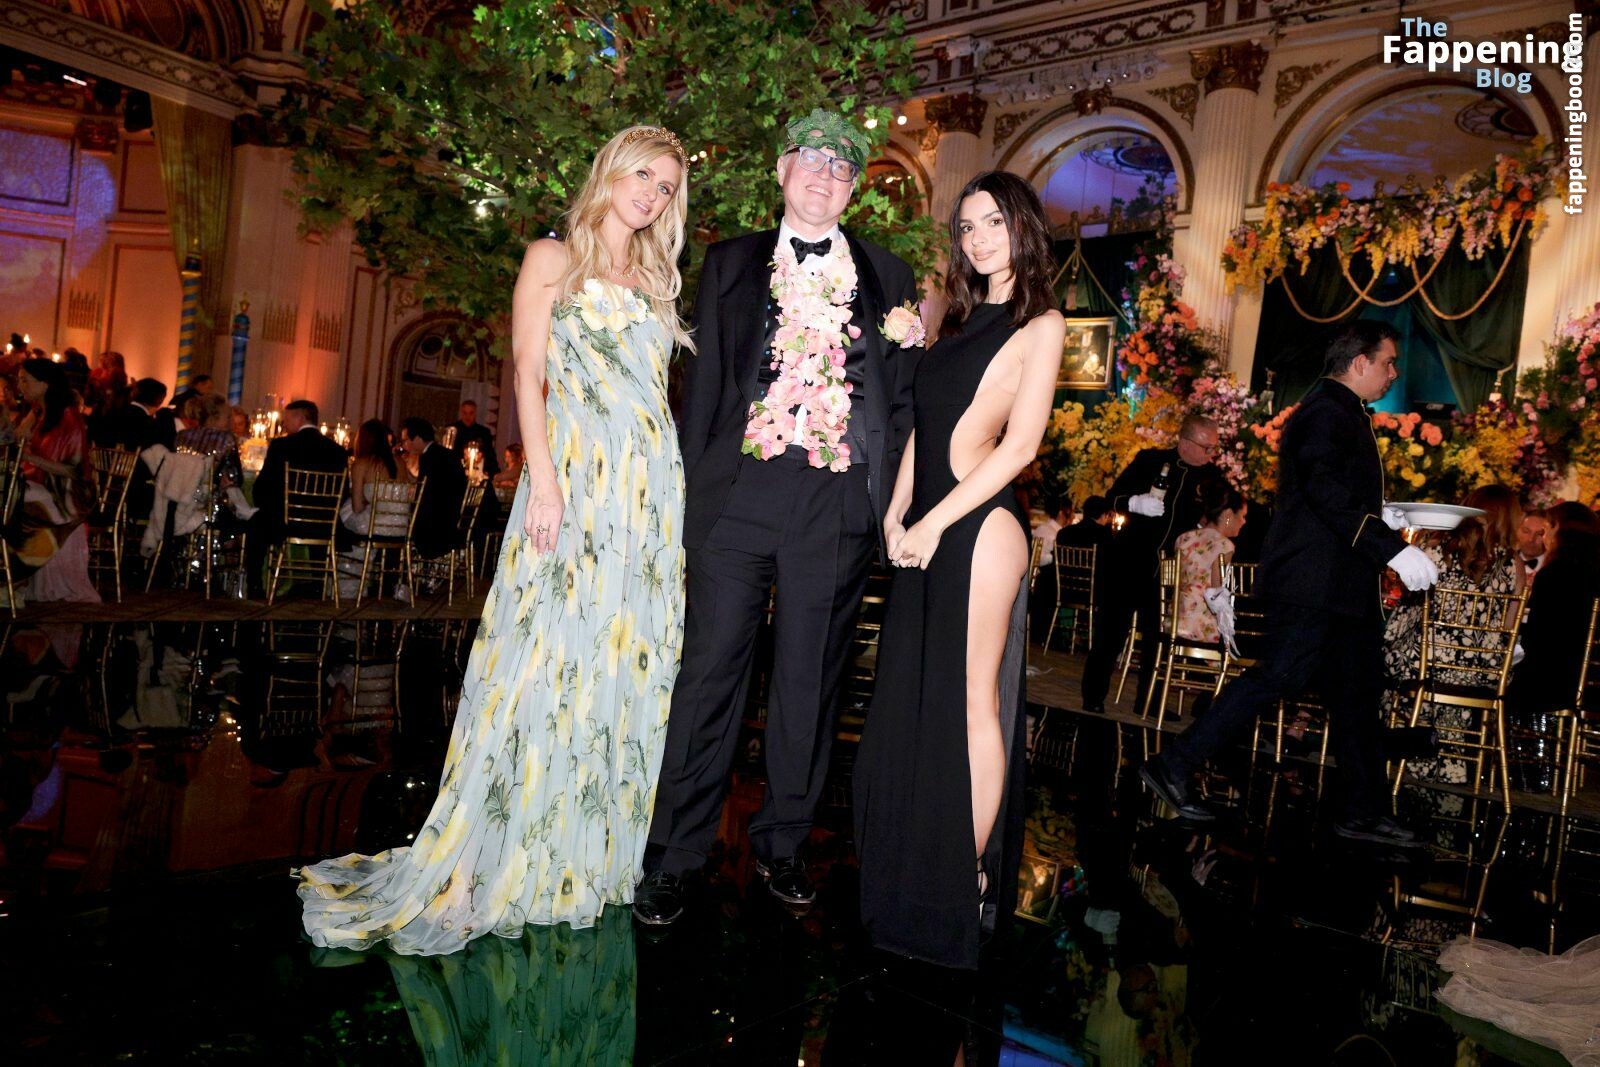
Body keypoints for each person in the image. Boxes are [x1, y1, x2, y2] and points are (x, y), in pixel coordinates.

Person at [298, 124, 691, 953]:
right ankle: (495, 854)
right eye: (643, 176)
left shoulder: (658, 274)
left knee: (618, 660)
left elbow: (653, 393)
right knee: (543, 656)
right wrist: (544, 480)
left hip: (649, 488)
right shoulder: (553, 257)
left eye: (666, 187)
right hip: (576, 478)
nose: (652, 195)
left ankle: (580, 853)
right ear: (611, 169)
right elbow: (527, 371)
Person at [634, 109, 923, 927]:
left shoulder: (890, 275)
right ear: (782, 168)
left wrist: (890, 507)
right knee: (708, 674)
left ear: (855, 187)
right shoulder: (727, 262)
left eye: (842, 167)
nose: (825, 176)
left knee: (809, 679)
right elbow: (701, 391)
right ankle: (675, 852)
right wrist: (687, 497)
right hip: (737, 494)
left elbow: (901, 405)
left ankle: (785, 841)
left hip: (836, 502)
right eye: (812, 160)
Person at [851, 171, 1063, 968]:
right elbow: (920, 426)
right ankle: (916, 862)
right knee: (915, 695)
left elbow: (1021, 445)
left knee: (973, 702)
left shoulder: (1042, 324)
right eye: (967, 227)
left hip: (978, 528)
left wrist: (935, 520)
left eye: (993, 223)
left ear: (1023, 227)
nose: (977, 239)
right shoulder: (957, 321)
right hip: (927, 526)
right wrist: (897, 511)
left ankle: (963, 876)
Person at [1140, 321, 1440, 845]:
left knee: (1357, 694)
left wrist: (1383, 517)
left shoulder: (1339, 411)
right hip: (1315, 584)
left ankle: (1362, 810)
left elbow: (1332, 494)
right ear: (1360, 363)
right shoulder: (1326, 413)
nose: (1394, 373)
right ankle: (1174, 764)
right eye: (1388, 362)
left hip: (1337, 585)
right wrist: (1390, 546)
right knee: (1278, 679)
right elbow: (1324, 491)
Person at [1080, 413, 1227, 713]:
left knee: (1158, 641)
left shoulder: (1212, 478)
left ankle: (1149, 703)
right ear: (1185, 443)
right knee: (1111, 633)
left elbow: (1220, 515)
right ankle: (1093, 696)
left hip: (1170, 571)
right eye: (1206, 447)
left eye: (1214, 447)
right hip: (1128, 561)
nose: (1211, 454)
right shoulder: (1149, 461)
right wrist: (1134, 503)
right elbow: (1111, 498)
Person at [1380, 484, 1522, 785]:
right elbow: (1509, 627)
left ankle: (1399, 746)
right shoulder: (1514, 563)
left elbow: (1409, 606)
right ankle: (1447, 760)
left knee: (1386, 661)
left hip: (1423, 664)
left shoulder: (1433, 548)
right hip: (1481, 672)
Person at [4, 358, 97, 606]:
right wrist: (27, 421)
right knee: (8, 496)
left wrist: (30, 458)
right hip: (41, 483)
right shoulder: (39, 411)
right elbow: (15, 439)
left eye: (25, 381)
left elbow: (73, 471)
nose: (20, 386)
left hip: (68, 492)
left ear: (44, 384)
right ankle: (12, 580)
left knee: (12, 501)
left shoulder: (69, 418)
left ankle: (13, 580)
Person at [243, 398, 350, 598]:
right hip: (324, 523)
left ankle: (255, 584)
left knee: (256, 522)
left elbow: (263, 486)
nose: (284, 424)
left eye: (287, 419)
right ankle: (318, 584)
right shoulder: (337, 451)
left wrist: (266, 506)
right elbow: (344, 492)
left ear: (300, 418)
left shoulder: (281, 446)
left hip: (286, 521)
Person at [1172, 483, 1247, 644]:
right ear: (1228, 514)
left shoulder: (1184, 538)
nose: (1244, 522)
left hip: (1174, 618)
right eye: (1242, 516)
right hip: (1200, 624)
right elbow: (1216, 591)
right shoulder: (1225, 545)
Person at [399, 418, 468, 561]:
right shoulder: (445, 454)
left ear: (418, 438)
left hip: (435, 525)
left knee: (399, 522)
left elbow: (424, 495)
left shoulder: (429, 456)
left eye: (406, 440)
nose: (404, 445)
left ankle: (403, 566)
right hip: (453, 520)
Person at [447, 399, 500, 477]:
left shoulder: (484, 432)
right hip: (454, 472)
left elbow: (490, 456)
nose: (467, 417)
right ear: (461, 413)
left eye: (471, 413)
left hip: (478, 473)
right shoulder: (452, 430)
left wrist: (495, 474)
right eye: (465, 413)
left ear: (475, 414)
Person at [1517, 508, 1549, 580]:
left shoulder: (1554, 569)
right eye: (1526, 531)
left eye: (1539, 534)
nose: (1531, 539)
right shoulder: (1502, 562)